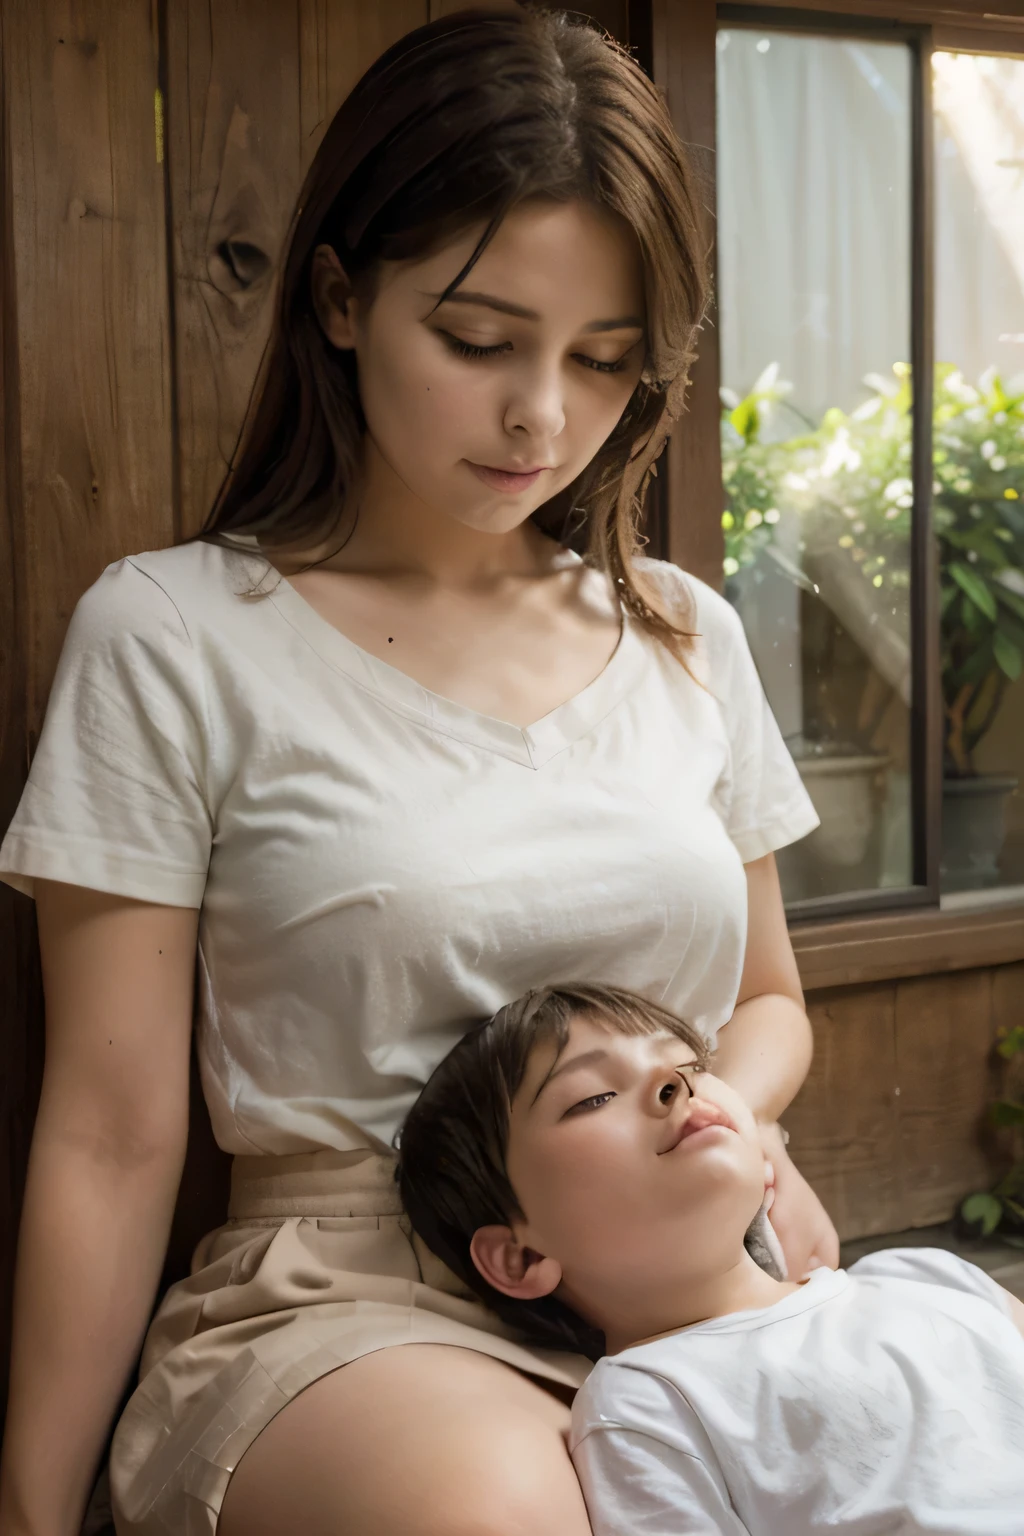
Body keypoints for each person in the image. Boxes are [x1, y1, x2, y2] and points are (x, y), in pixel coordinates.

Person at [0, 9, 835, 1536]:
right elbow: (112, 1132)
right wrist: (35, 1512)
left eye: (602, 360)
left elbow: (767, 1003)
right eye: (478, 339)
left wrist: (734, 1136)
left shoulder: (681, 630)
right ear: (337, 296)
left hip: (692, 1266)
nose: (543, 416)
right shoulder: (178, 633)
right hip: (350, 1301)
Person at [397, 983, 1024, 1535]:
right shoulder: (647, 1407)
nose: (674, 1082)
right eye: (593, 1097)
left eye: (690, 1063)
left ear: (766, 1168)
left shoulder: (930, 1279)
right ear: (521, 1255)